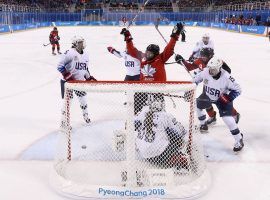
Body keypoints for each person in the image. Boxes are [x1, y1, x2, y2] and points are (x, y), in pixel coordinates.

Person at [120, 22, 184, 113]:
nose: (147, 54)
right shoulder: (142, 57)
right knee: (136, 112)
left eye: (150, 53)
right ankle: (136, 124)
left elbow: (169, 49)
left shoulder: (160, 58)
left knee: (158, 114)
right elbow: (131, 50)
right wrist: (127, 37)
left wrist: (175, 34)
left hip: (157, 91)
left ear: (155, 55)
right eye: (147, 52)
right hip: (142, 91)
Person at [175, 48, 240, 126]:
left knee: (223, 103)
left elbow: (228, 71)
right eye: (202, 56)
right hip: (208, 84)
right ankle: (212, 117)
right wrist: (182, 61)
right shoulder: (200, 60)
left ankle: (235, 114)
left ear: (210, 56)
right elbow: (190, 67)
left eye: (204, 56)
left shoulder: (217, 62)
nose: (202, 58)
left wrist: (217, 77)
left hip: (219, 86)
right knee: (205, 101)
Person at [193, 57, 244, 152]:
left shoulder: (227, 77)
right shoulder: (205, 71)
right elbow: (195, 80)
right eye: (210, 68)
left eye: (214, 69)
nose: (211, 71)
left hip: (222, 100)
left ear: (220, 68)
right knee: (197, 105)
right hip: (207, 96)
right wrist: (190, 89)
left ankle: (239, 139)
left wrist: (228, 98)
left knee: (228, 119)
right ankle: (203, 124)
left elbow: (238, 90)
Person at [134, 93, 188, 169]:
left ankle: (172, 159)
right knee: (174, 135)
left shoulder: (143, 112)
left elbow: (133, 125)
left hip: (145, 155)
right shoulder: (166, 116)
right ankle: (177, 159)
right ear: (162, 104)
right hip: (160, 156)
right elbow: (181, 131)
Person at [57, 36, 96, 125]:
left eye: (82, 42)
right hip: (68, 82)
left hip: (79, 82)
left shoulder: (86, 54)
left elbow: (85, 68)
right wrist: (68, 76)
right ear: (75, 44)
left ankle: (86, 116)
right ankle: (64, 121)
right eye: (80, 42)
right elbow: (59, 66)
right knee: (68, 102)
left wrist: (88, 77)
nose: (82, 44)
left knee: (83, 100)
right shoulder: (69, 53)